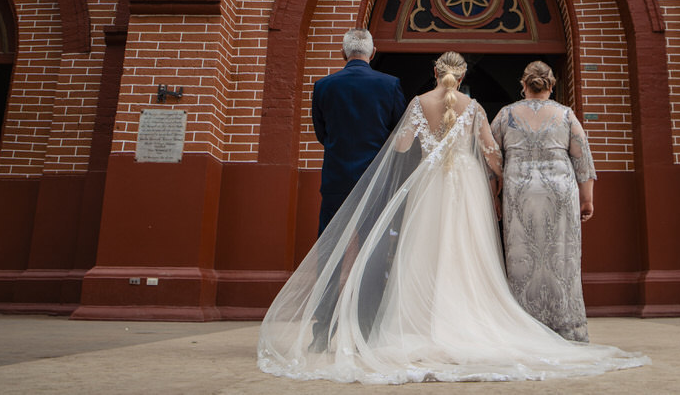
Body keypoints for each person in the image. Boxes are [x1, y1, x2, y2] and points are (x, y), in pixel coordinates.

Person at [257, 52, 647, 383]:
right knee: (467, 253)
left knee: (423, 251)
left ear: (435, 74)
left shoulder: (416, 104)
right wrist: (496, 178)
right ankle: (470, 319)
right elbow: (491, 152)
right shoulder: (475, 108)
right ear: (461, 77)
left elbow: (403, 144)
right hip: (465, 188)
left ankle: (421, 325)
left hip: (430, 187)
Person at [491, 60, 595, 341]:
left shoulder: (505, 115)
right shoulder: (566, 115)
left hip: (519, 192)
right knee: (562, 258)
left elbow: (490, 158)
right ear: (552, 85)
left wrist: (494, 196)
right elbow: (582, 158)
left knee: (523, 259)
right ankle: (566, 327)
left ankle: (525, 327)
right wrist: (587, 200)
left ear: (523, 85)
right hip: (560, 192)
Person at [312, 28, 406, 234]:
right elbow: (399, 131)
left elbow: (321, 133)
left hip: (335, 176)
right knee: (370, 245)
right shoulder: (390, 85)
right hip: (374, 176)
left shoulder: (323, 86)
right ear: (373, 53)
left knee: (330, 243)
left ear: (343, 53)